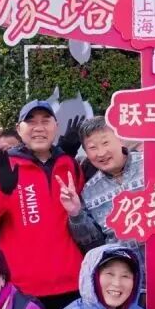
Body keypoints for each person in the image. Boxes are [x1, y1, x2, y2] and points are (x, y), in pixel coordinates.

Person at [0, 99, 84, 309]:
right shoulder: (5, 166)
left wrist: (67, 153)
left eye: (45, 121)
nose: (39, 128)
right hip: (22, 289)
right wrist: (1, 192)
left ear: (56, 126)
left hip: (71, 285)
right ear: (19, 129)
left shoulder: (70, 165)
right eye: (31, 122)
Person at [60, 117, 146, 299]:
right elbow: (94, 243)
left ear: (120, 139)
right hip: (126, 289)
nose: (101, 153)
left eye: (106, 142)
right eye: (92, 148)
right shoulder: (89, 191)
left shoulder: (151, 166)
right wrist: (75, 213)